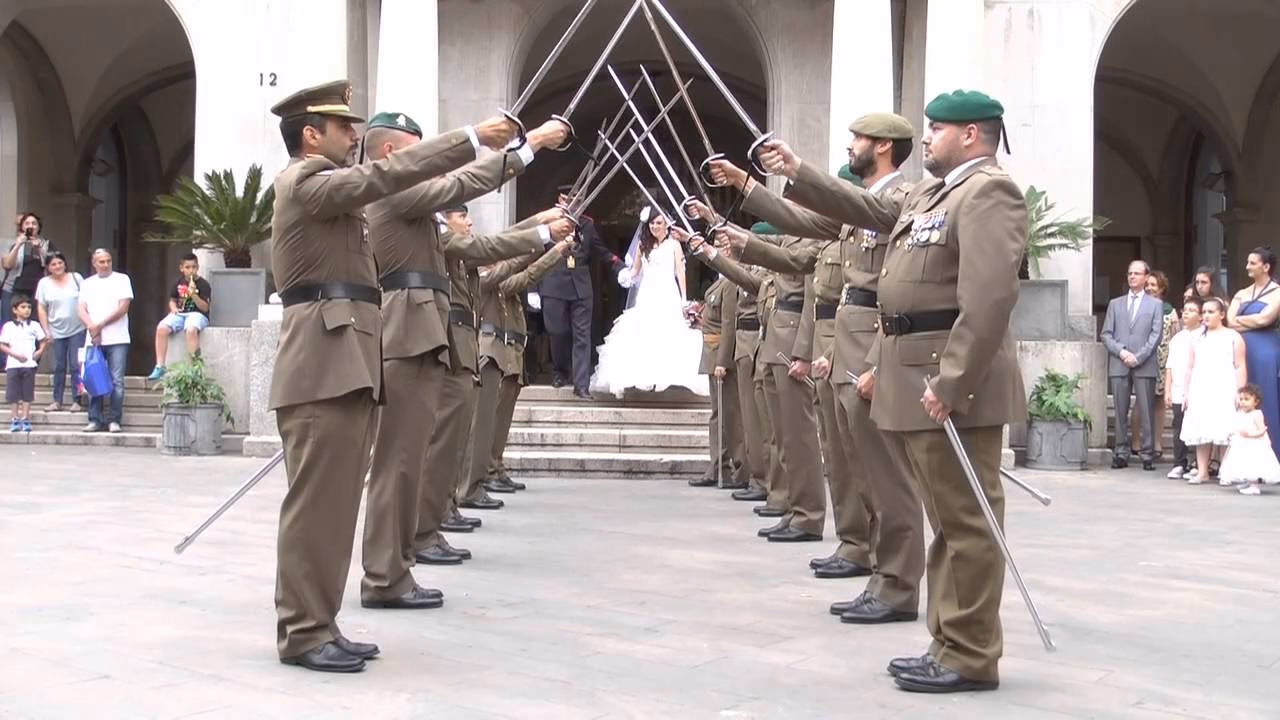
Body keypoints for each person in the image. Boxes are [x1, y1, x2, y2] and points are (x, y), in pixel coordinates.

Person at [757, 89, 1028, 693]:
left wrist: (952, 381)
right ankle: (948, 642)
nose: (925, 137)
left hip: (949, 383)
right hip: (915, 374)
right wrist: (795, 172)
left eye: (936, 128)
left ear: (973, 135)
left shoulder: (988, 191)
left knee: (965, 524)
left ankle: (970, 652)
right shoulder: (935, 194)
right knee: (948, 522)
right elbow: (863, 211)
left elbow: (988, 299)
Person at [266, 78, 518, 673]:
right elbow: (383, 178)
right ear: (310, 134)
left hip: (346, 360)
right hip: (321, 362)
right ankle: (302, 630)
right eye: (342, 127)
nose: (352, 135)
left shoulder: (336, 195)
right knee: (317, 506)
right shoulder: (304, 181)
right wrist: (471, 138)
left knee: (333, 507)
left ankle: (319, 621)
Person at [707, 111, 924, 621]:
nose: (850, 145)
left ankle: (896, 583)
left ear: (886, 147)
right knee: (857, 465)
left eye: (858, 138)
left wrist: (798, 169)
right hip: (845, 344)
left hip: (870, 344)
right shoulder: (858, 211)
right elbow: (800, 224)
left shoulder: (899, 197)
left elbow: (850, 211)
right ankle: (876, 567)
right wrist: (745, 183)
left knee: (886, 475)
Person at [357, 109, 569, 604]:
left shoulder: (411, 199)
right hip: (407, 333)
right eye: (421, 148)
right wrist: (531, 142)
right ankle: (385, 574)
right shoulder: (396, 190)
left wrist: (542, 234)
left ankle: (396, 566)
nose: (432, 158)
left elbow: (480, 238)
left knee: (412, 459)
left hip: (425, 333)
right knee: (401, 462)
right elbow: (466, 189)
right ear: (392, 152)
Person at [588, 209, 707, 397]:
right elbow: (635, 270)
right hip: (647, 293)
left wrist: (684, 299)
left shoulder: (674, 245)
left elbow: (680, 272)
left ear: (666, 224)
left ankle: (667, 376)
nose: (655, 227)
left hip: (667, 292)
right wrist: (624, 275)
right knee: (643, 332)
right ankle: (644, 377)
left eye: (659, 223)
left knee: (668, 333)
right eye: (652, 223)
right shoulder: (643, 245)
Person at [539, 183, 626, 397]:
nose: (573, 202)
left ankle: (581, 384)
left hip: (581, 287)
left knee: (582, 336)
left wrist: (621, 267)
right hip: (553, 283)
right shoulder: (548, 224)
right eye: (568, 198)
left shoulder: (587, 224)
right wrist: (532, 287)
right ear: (559, 200)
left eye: (576, 198)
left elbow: (601, 251)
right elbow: (533, 254)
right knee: (557, 331)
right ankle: (560, 371)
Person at [1101, 260, 1164, 470]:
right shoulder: (1115, 304)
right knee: (1120, 409)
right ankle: (1120, 452)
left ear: (1146, 277)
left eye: (1137, 273)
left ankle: (1147, 453)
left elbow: (1156, 335)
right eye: (1130, 273)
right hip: (1119, 362)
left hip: (1144, 363)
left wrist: (1139, 356)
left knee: (1146, 408)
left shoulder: (1155, 305)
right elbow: (1106, 334)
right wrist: (1121, 351)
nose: (1132, 277)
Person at [1179, 297, 1246, 485]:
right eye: (1204, 312)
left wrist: (1240, 392)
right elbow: (1190, 367)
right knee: (1202, 429)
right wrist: (1186, 392)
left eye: (1211, 312)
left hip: (1224, 386)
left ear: (1222, 314)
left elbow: (1240, 366)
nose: (1206, 316)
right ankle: (1202, 471)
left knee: (1225, 430)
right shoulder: (1197, 338)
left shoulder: (1233, 337)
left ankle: (1226, 471)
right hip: (1201, 387)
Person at [1226, 247, 1280, 462]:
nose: (1247, 266)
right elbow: (1229, 320)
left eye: (1252, 263)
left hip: (1266, 349)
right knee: (1240, 396)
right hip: (1241, 347)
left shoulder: (1277, 291)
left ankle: (1272, 455)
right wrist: (1251, 321)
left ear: (1266, 267)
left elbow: (1265, 320)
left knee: (1266, 397)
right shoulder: (1241, 293)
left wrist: (1242, 322)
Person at [77, 249, 133, 433]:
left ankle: (114, 419)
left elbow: (123, 308)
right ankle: (94, 419)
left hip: (118, 338)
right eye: (101, 261)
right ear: (94, 264)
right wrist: (92, 328)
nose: (105, 264)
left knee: (117, 380)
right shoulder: (87, 283)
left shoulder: (122, 279)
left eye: (108, 260)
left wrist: (99, 325)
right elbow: (81, 309)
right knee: (95, 377)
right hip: (93, 339)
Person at [1131, 270, 1178, 457]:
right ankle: (1135, 442)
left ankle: (1157, 444)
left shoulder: (1169, 310)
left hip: (1163, 360)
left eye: (1154, 285)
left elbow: (1176, 336)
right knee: (1140, 403)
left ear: (1162, 289)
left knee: (1159, 403)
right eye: (1148, 284)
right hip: (1144, 358)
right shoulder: (1138, 307)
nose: (1150, 288)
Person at [147, 253, 212, 381]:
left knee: (191, 329)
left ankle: (195, 368)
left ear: (198, 267)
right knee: (161, 328)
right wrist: (173, 308)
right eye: (187, 267)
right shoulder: (178, 282)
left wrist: (193, 295)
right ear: (181, 268)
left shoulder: (204, 284)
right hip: (180, 314)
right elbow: (172, 299)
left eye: (193, 267)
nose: (191, 270)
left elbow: (205, 307)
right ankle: (160, 366)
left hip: (197, 314)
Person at [35, 252, 86, 411]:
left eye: (60, 263)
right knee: (58, 366)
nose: (57, 266)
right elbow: (42, 308)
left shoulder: (76, 278)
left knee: (75, 365)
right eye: (53, 264)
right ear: (48, 267)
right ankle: (57, 400)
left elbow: (86, 300)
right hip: (56, 330)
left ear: (65, 263)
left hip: (78, 328)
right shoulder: (44, 283)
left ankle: (77, 400)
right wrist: (46, 330)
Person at [1164, 297, 1202, 478]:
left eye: (1191, 310)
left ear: (1201, 316)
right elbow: (1169, 366)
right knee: (1178, 424)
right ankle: (1179, 462)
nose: (1185, 313)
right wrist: (1167, 390)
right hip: (1178, 388)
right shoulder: (1177, 338)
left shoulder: (1204, 336)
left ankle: (1198, 462)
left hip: (1197, 388)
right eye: (1184, 309)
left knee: (1197, 424)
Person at [1218, 384, 1280, 494]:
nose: (1243, 402)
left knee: (1253, 464)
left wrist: (1251, 435)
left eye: (1246, 399)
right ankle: (1247, 482)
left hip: (1254, 444)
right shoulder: (1240, 413)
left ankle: (1254, 486)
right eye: (1241, 399)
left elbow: (1262, 430)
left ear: (1256, 401)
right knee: (1243, 462)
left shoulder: (1257, 414)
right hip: (1242, 443)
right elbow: (1238, 426)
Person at [1, 294, 47, 431]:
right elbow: (2, 344)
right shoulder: (9, 326)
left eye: (28, 307)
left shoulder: (34, 325)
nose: (26, 310)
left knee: (27, 392)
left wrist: (40, 351)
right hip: (13, 365)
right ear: (15, 310)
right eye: (23, 307)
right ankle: (15, 418)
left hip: (29, 364)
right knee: (13, 393)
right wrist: (14, 354)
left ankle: (25, 418)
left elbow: (44, 340)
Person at [3, 213, 53, 326]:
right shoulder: (11, 243)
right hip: (14, 289)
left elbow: (51, 266)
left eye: (34, 223)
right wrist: (18, 245)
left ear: (38, 227)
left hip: (36, 290)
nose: (31, 226)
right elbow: (7, 265)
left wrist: (40, 249)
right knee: (10, 323)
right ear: (21, 227)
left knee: (35, 324)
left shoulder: (46, 244)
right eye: (27, 223)